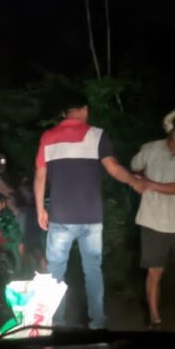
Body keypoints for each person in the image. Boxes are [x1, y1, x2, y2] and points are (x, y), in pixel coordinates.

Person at [34, 91, 146, 329]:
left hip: (60, 217)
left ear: (64, 113)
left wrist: (39, 210)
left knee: (56, 272)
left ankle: (57, 323)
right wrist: (134, 181)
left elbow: (40, 176)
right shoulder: (97, 135)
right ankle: (97, 323)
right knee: (93, 271)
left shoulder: (48, 136)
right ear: (84, 109)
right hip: (91, 218)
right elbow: (114, 168)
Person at [131, 109, 175, 329]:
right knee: (155, 271)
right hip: (152, 219)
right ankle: (155, 318)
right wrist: (137, 178)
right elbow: (133, 167)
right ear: (170, 129)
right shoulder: (150, 149)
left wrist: (148, 183)